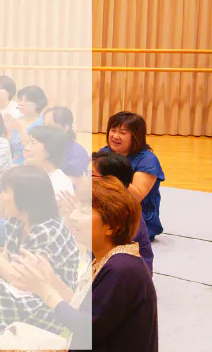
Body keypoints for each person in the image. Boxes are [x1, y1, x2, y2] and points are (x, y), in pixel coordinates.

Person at [0, 178, 158, 352]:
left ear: (111, 226)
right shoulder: (113, 259)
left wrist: (44, 290)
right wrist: (48, 280)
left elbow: (86, 329)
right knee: (14, 330)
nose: (73, 217)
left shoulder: (121, 269)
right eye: (75, 208)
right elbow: (83, 309)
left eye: (83, 211)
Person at [0, 166, 80, 340]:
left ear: (25, 197)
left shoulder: (48, 230)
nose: (1, 196)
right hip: (18, 293)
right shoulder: (16, 221)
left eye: (6, 191)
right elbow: (4, 264)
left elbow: (22, 281)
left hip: (44, 306)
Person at [0, 125, 74, 246]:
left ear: (50, 149)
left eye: (33, 143)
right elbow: (0, 212)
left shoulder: (60, 182)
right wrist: (9, 182)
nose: (26, 148)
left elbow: (33, 219)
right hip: (17, 226)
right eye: (27, 142)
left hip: (40, 237)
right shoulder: (25, 174)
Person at [98, 111, 163, 239]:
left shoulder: (148, 160)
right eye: (113, 130)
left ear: (136, 136)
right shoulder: (105, 152)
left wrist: (113, 171)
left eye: (122, 133)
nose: (115, 136)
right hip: (107, 207)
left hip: (137, 217)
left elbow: (135, 197)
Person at [91, 152, 154, 271]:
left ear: (112, 182)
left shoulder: (123, 213)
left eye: (90, 175)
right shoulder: (95, 203)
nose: (82, 178)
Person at [6, 85, 47, 165]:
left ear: (38, 104)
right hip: (14, 163)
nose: (21, 103)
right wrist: (8, 130)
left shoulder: (44, 122)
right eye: (20, 100)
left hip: (36, 164)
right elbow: (7, 147)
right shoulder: (15, 121)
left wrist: (20, 130)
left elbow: (31, 148)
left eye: (27, 100)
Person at [44, 106, 89, 178]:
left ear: (65, 127)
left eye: (49, 125)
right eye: (43, 124)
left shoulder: (77, 155)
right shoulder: (43, 146)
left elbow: (73, 182)